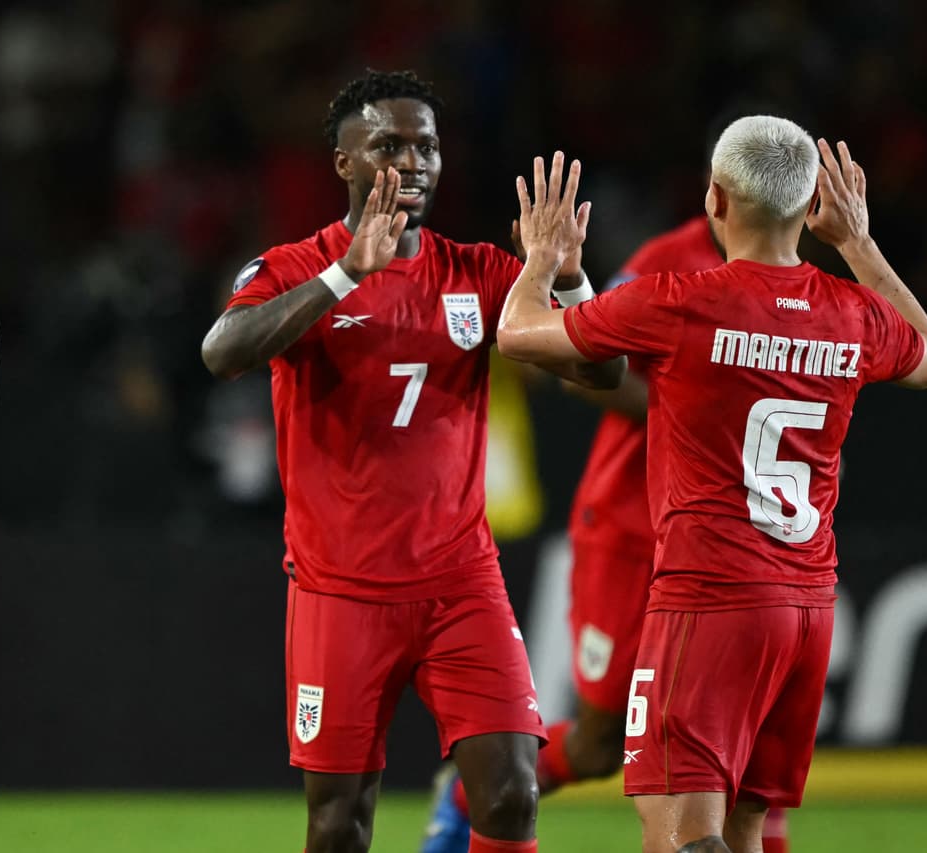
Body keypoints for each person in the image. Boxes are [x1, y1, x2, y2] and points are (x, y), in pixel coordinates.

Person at [495, 122, 927, 852]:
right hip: (806, 609)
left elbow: (519, 333)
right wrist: (859, 244)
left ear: (714, 197)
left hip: (708, 601)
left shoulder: (683, 301)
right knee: (745, 830)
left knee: (677, 834)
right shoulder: (852, 311)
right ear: (811, 211)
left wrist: (543, 260)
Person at [201, 69, 620, 853]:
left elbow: (603, 374)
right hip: (341, 591)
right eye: (389, 145)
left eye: (427, 145)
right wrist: (345, 276)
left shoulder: (481, 273)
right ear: (344, 163)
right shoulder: (297, 265)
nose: (415, 160)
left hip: (461, 583)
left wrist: (568, 277)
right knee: (340, 825)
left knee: (512, 796)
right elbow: (222, 352)